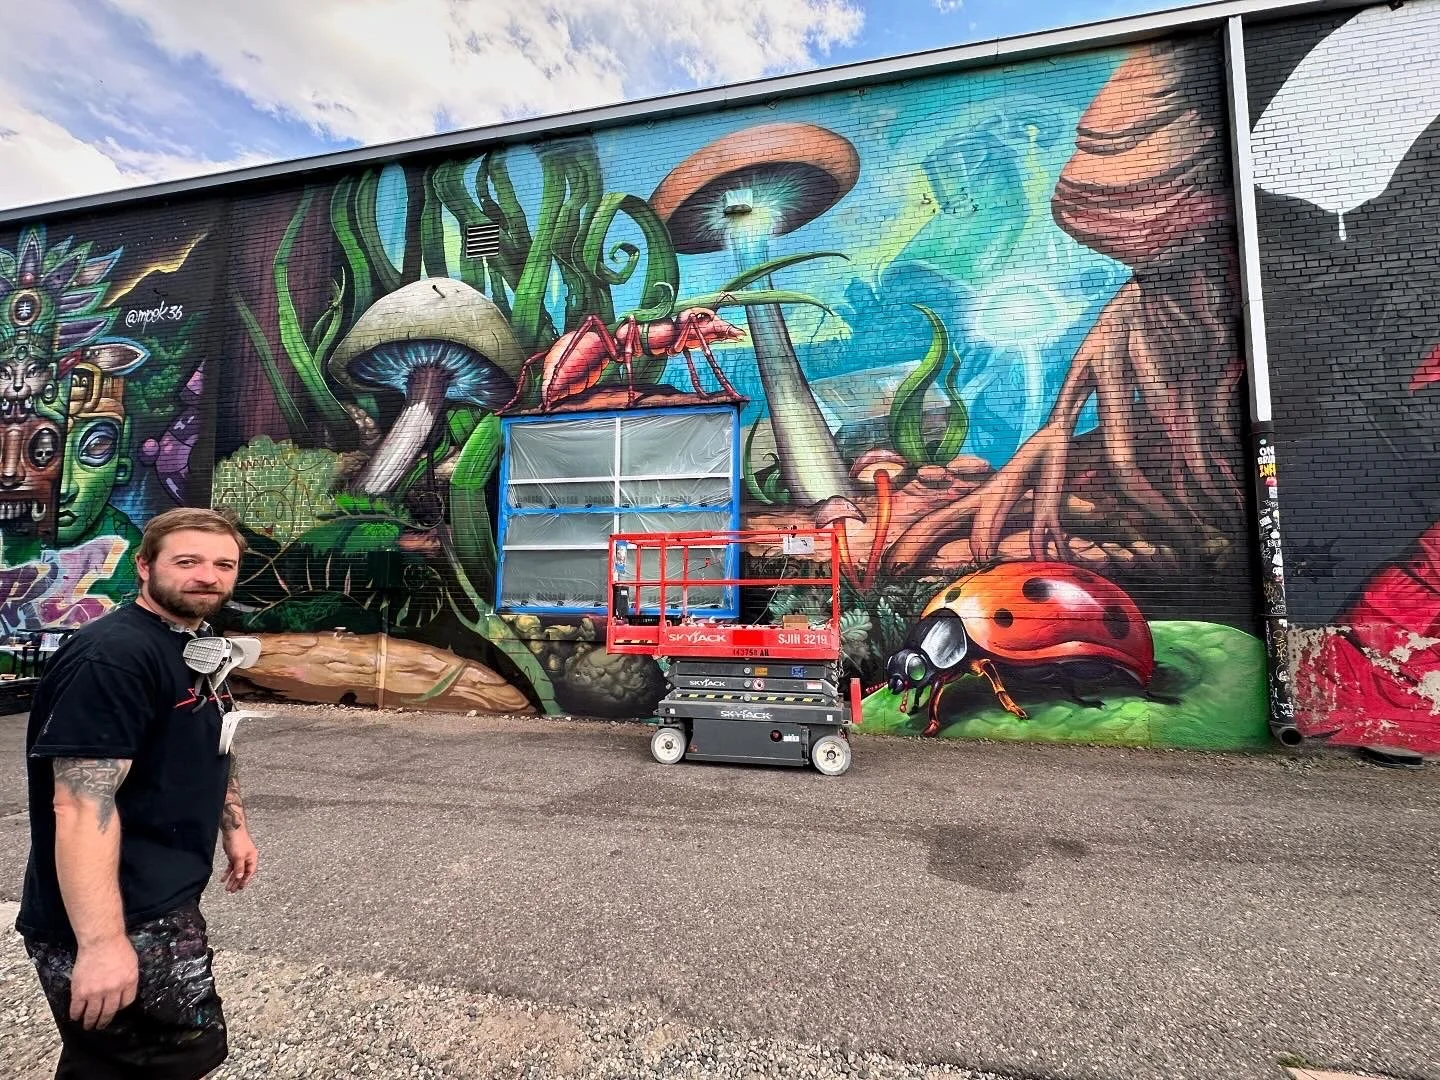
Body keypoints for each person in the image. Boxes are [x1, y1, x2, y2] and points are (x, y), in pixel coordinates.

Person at [15, 506, 259, 1080]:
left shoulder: (194, 642)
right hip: (116, 913)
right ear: (145, 567)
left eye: (224, 564)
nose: (209, 575)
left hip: (162, 896)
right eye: (188, 561)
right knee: (153, 1063)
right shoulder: (116, 657)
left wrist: (235, 826)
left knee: (134, 1061)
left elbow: (215, 739)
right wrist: (100, 945)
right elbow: (79, 804)